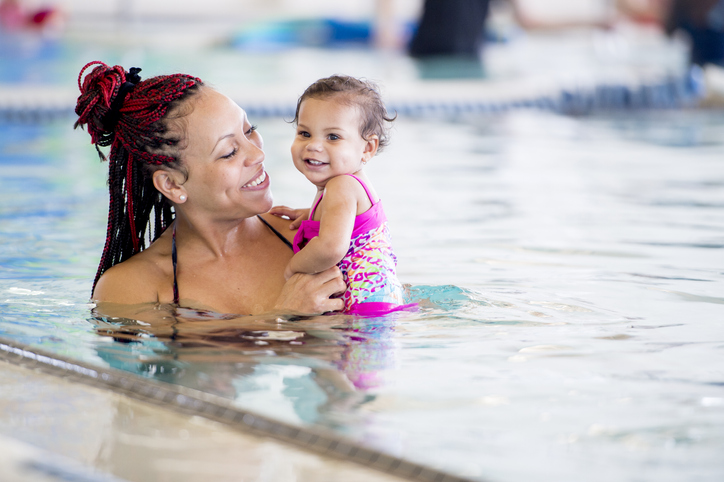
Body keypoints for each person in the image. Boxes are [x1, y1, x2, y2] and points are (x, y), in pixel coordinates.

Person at [74, 61, 346, 318]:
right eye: (229, 152)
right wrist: (283, 316)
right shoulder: (133, 288)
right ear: (172, 184)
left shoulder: (316, 237)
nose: (257, 154)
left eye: (250, 130)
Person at [276, 75, 411, 316]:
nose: (314, 145)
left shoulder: (342, 185)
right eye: (305, 134)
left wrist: (290, 270)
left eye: (333, 137)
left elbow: (330, 248)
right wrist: (312, 216)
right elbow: (352, 224)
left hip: (363, 310)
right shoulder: (348, 187)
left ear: (367, 148)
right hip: (378, 301)